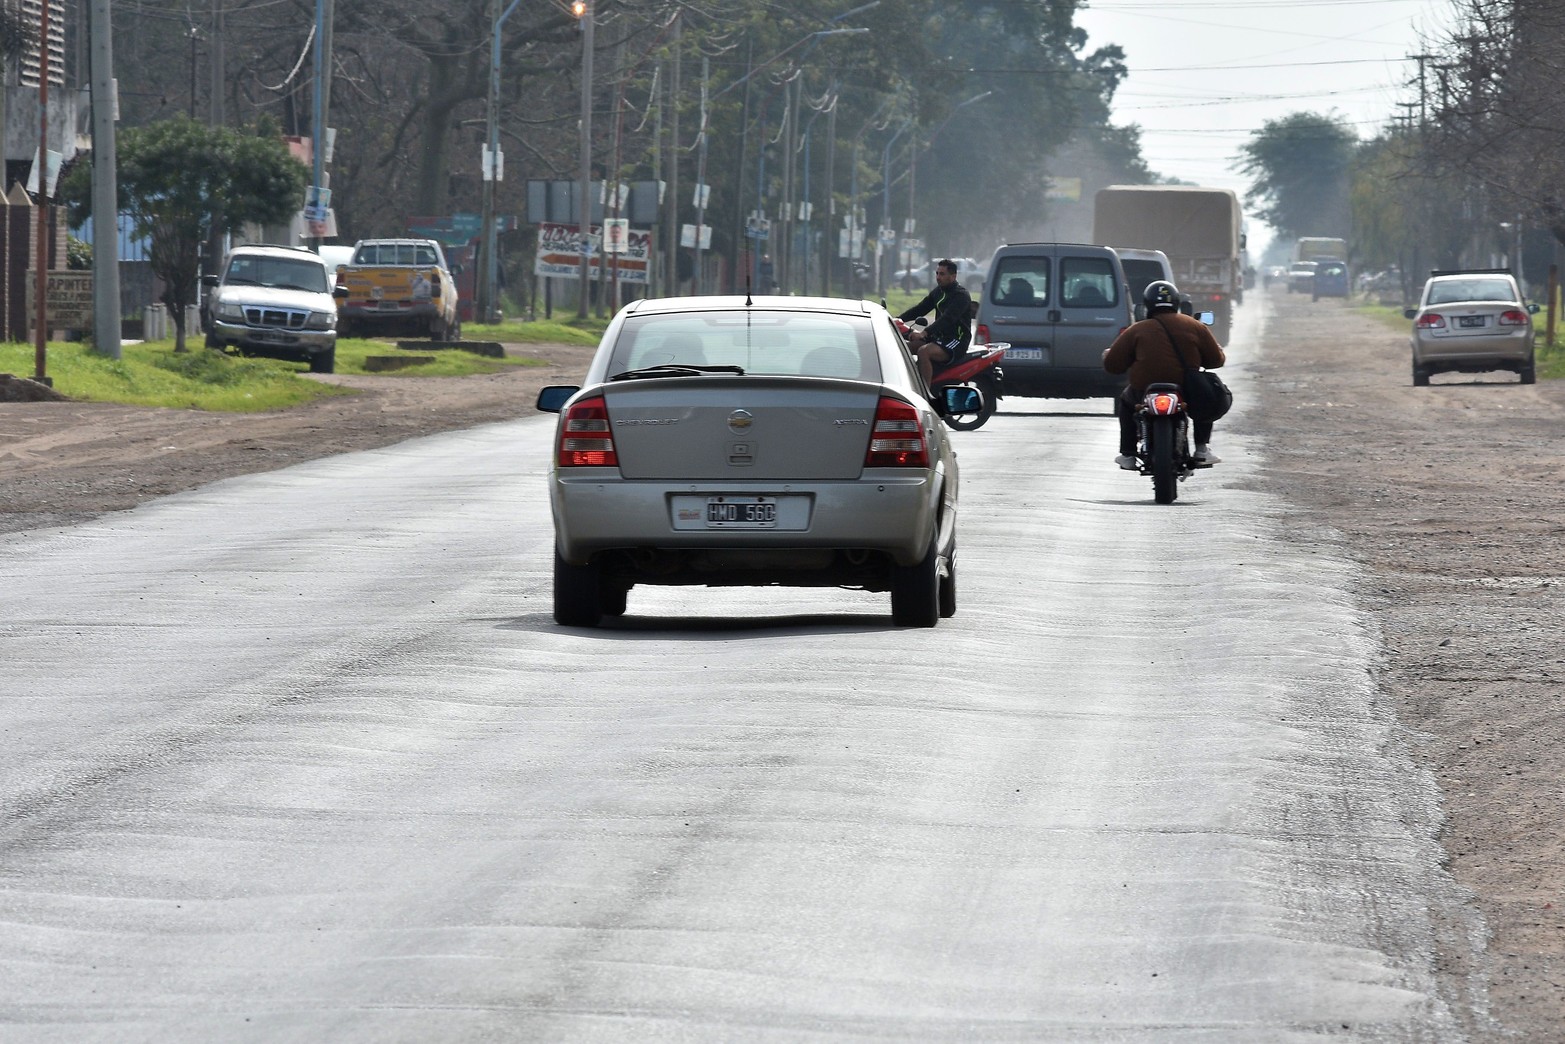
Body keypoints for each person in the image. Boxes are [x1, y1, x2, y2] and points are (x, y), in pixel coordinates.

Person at [1102, 279, 1227, 469]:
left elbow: (1113, 365)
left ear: (1147, 305)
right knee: (1204, 395)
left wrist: (1108, 356)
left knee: (1126, 403)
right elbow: (1216, 360)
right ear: (1176, 303)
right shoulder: (1195, 326)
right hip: (1185, 389)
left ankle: (1127, 453)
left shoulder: (1136, 329)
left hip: (1143, 389)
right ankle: (1201, 448)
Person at [899, 258, 974, 386]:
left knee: (924, 351)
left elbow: (948, 318)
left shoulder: (961, 295)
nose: (938, 277)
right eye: (937, 273)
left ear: (953, 276)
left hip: (956, 341)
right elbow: (920, 309)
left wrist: (924, 333)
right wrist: (897, 320)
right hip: (939, 338)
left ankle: (925, 395)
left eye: (942, 274)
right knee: (902, 348)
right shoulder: (938, 292)